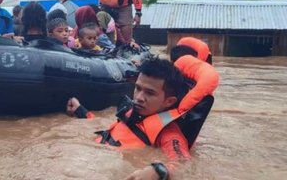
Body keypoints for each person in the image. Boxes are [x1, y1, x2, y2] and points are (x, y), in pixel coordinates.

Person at [66, 54, 219, 180]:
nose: (139, 97)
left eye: (149, 93)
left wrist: (158, 171)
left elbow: (185, 164)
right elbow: (111, 130)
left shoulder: (169, 135)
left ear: (169, 101)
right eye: (138, 88)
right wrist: (81, 111)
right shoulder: (134, 113)